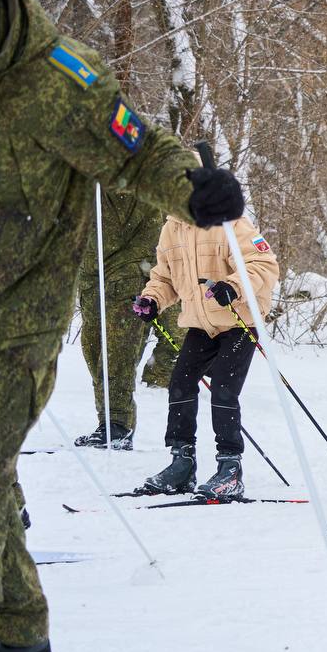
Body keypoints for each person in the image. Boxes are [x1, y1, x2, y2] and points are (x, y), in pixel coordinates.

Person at [0, 0, 245, 652]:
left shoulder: (56, 78)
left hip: (20, 310)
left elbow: (136, 151)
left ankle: (15, 632)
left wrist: (193, 189)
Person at [132, 202, 279, 500]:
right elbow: (164, 278)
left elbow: (264, 265)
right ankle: (182, 463)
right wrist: (153, 299)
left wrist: (233, 286)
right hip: (201, 324)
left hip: (240, 320)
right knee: (180, 384)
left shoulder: (229, 221)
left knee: (224, 389)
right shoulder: (171, 228)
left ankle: (230, 469)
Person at [73, 195, 165, 451]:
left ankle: (119, 425)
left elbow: (117, 222)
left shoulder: (131, 184)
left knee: (116, 354)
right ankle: (106, 422)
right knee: (94, 351)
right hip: (93, 279)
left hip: (127, 277)